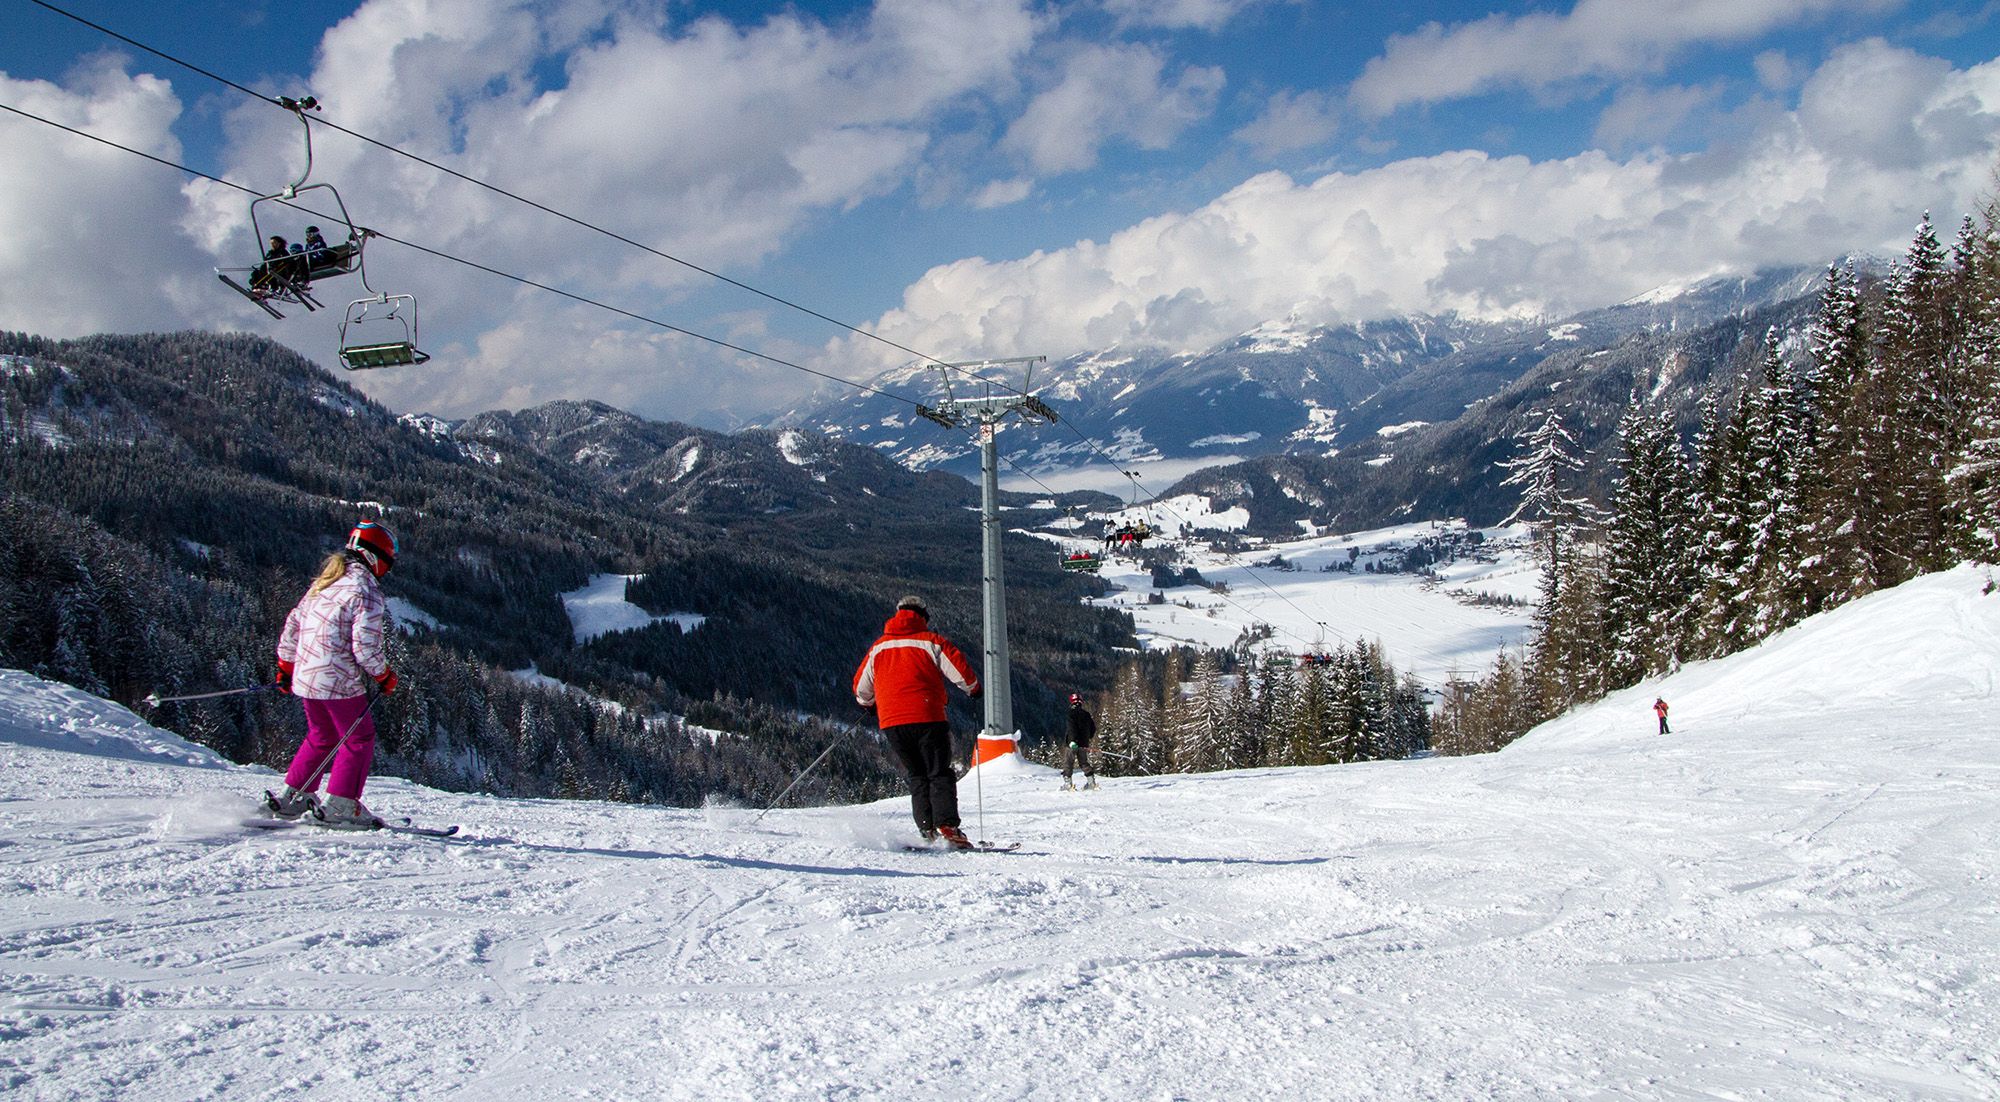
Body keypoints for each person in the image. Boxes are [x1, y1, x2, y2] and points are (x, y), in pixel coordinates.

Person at [266, 519, 402, 827]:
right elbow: (365, 648)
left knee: (321, 735)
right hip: (337, 678)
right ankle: (342, 803)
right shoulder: (365, 590)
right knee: (359, 737)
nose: (387, 569)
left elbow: (292, 627)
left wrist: (286, 667)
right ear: (373, 557)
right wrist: (383, 675)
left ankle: (294, 796)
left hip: (305, 675)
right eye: (386, 562)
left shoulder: (324, 582)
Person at [853, 595, 981, 849]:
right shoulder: (931, 642)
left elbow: (861, 689)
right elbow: (962, 673)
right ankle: (948, 826)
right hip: (927, 716)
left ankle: (926, 829)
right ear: (923, 616)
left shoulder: (878, 648)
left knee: (917, 774)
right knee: (939, 771)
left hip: (891, 722)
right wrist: (973, 689)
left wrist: (868, 705)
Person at [1062, 693, 1097, 791]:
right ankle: (1091, 783)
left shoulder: (1071, 713)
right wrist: (1086, 739)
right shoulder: (1086, 714)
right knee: (1083, 763)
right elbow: (1093, 729)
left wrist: (1072, 741)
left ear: (1072, 702)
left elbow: (1071, 728)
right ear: (1081, 702)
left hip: (1072, 744)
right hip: (1083, 744)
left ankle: (1068, 784)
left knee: (1068, 763)